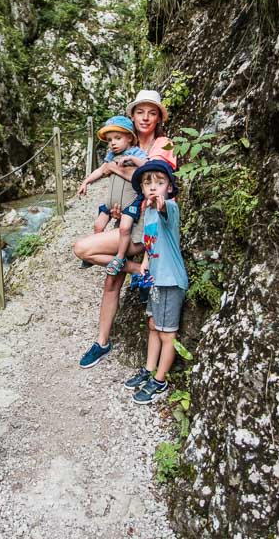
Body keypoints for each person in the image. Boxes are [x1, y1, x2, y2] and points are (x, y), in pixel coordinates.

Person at [73, 90, 177, 368]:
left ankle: (141, 272)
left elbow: (156, 181)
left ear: (158, 118)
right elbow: (127, 183)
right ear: (132, 116)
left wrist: (116, 169)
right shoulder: (122, 145)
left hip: (150, 227)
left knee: (83, 248)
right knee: (111, 279)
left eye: (152, 113)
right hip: (126, 219)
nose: (145, 118)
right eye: (140, 112)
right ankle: (102, 341)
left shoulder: (162, 144)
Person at [122, 161, 188, 403]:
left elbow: (165, 212)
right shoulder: (147, 211)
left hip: (170, 280)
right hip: (155, 279)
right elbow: (151, 241)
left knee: (167, 333)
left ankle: (160, 380)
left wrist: (160, 204)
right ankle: (149, 370)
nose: (153, 188)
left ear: (170, 188)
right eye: (148, 183)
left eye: (160, 183)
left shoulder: (169, 206)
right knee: (152, 325)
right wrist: (145, 262)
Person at [77, 116, 148, 241]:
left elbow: (147, 166)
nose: (113, 143)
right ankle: (96, 247)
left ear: (130, 138)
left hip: (129, 202)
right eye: (109, 140)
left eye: (118, 138)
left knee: (124, 229)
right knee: (98, 225)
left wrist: (131, 159)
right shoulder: (111, 156)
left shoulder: (136, 152)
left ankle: (121, 257)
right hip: (111, 201)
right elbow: (100, 170)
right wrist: (86, 182)